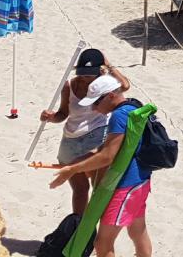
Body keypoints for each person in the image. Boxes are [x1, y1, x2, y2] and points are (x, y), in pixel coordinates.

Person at [49, 76, 153, 257]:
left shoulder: (119, 116)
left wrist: (72, 170)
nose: (93, 108)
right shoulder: (134, 106)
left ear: (111, 96)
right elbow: (115, 148)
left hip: (124, 187)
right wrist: (83, 160)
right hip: (141, 181)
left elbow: (108, 156)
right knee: (137, 231)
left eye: (96, 102)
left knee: (103, 244)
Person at [40, 49, 131, 215]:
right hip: (70, 139)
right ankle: (78, 226)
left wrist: (109, 65)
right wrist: (51, 117)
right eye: (82, 74)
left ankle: (94, 229)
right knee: (79, 188)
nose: (84, 78)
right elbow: (63, 114)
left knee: (98, 187)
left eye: (89, 75)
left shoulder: (104, 85)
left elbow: (124, 86)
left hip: (95, 135)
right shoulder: (69, 85)